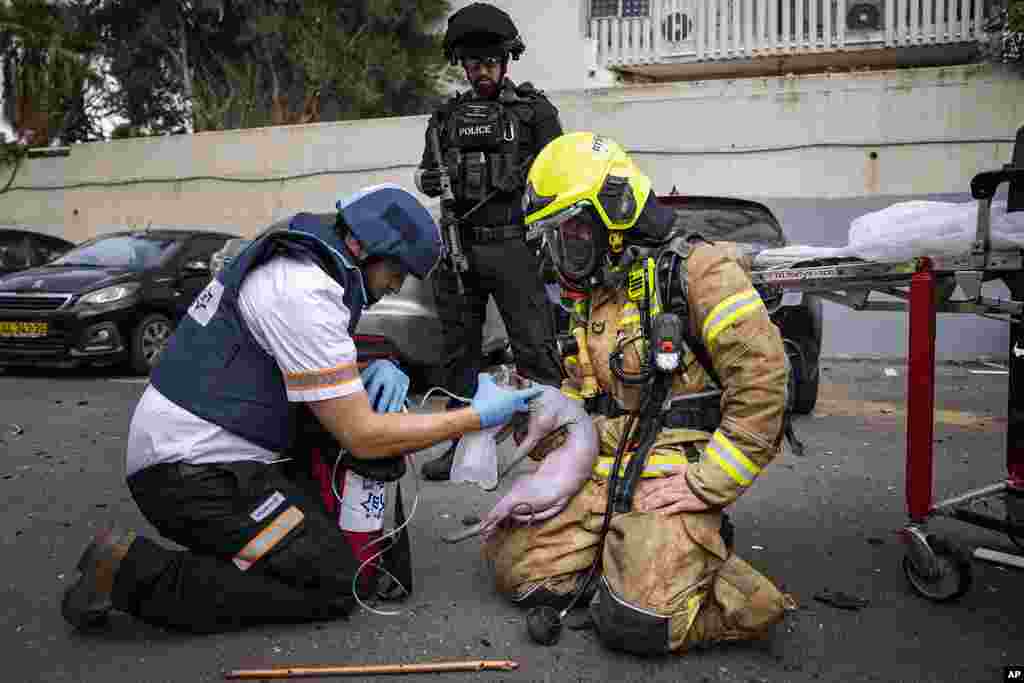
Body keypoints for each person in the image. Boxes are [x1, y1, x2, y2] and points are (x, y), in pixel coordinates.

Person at [60, 184, 542, 635]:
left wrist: (380, 360)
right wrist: (477, 417)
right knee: (335, 581)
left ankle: (248, 549)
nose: (394, 288)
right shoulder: (302, 289)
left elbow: (310, 350)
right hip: (190, 474)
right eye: (396, 274)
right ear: (366, 250)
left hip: (213, 451)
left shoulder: (304, 262)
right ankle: (128, 572)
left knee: (314, 541)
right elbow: (363, 435)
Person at [484, 133, 793, 654]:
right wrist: (531, 417)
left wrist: (707, 483)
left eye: (572, 228)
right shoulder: (597, 293)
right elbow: (583, 397)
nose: (563, 247)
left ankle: (740, 593)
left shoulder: (701, 272)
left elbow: (763, 387)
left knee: (637, 621)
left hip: (673, 473)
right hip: (607, 467)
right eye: (555, 235)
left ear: (616, 213)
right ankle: (639, 557)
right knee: (518, 569)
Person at [415, 2, 563, 481]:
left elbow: (559, 175)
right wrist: (435, 180)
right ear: (462, 64)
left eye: (490, 62)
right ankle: (459, 447)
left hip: (514, 245)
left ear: (506, 62)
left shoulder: (535, 112)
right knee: (459, 353)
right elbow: (426, 175)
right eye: (473, 63)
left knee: (535, 348)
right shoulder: (445, 119)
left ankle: (554, 440)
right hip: (460, 248)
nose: (482, 71)